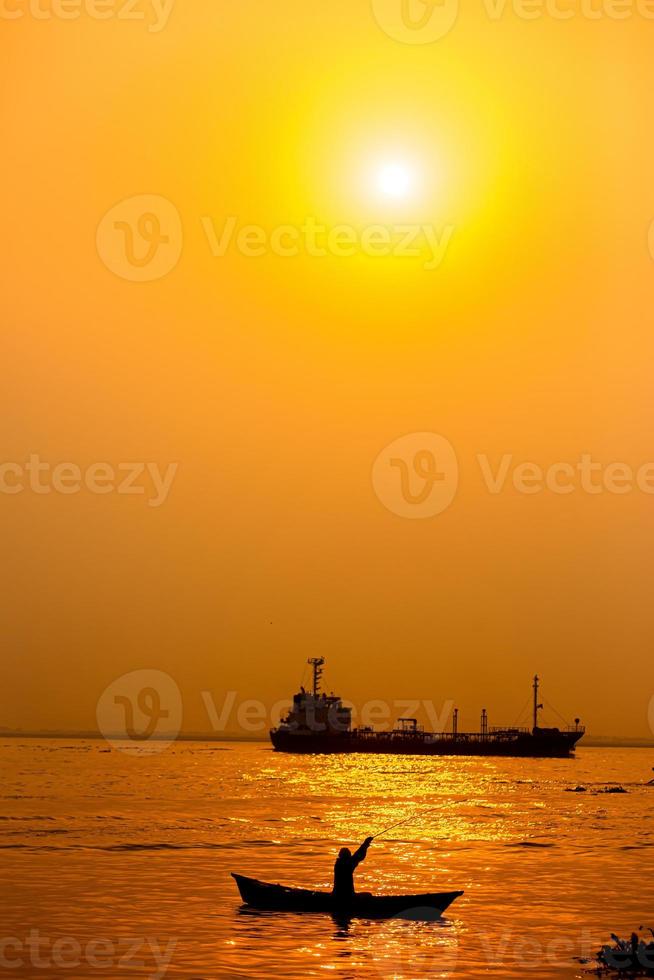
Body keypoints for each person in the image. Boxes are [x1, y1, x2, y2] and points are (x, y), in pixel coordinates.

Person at [332, 836, 373, 902]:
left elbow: (356, 856)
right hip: (348, 895)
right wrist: (366, 843)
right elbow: (358, 856)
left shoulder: (338, 863)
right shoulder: (347, 864)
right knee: (368, 895)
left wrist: (365, 843)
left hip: (337, 894)